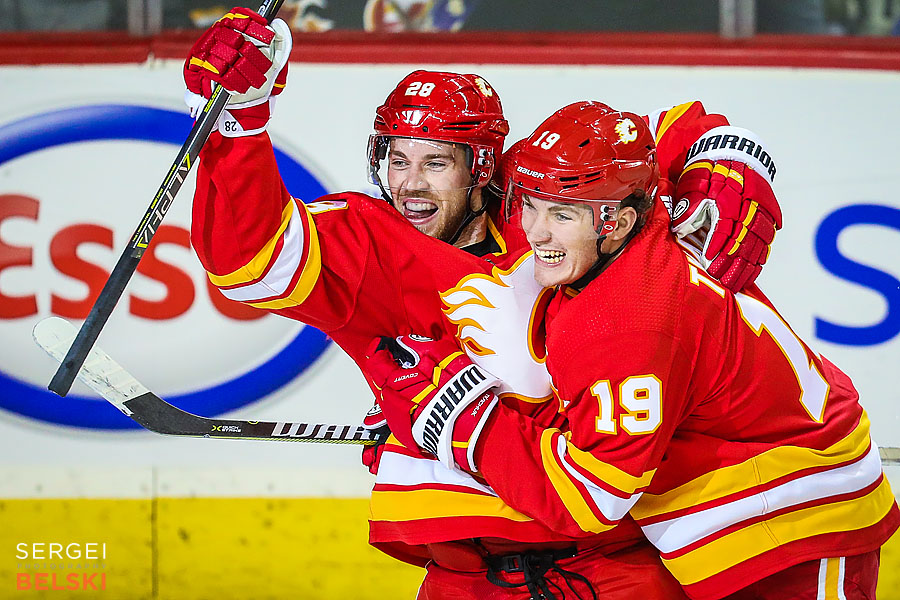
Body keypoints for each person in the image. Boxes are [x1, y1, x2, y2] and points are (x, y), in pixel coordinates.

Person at [185, 8, 781, 597]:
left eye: (436, 162)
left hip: (612, 561)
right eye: (397, 158)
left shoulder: (552, 208)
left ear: (484, 166)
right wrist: (238, 125)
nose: (410, 183)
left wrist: (729, 159)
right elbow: (248, 261)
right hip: (468, 576)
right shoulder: (368, 244)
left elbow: (676, 129)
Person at [366, 101, 900, 599]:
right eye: (530, 206)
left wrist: (459, 416)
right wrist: (733, 157)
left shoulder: (624, 321)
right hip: (736, 514)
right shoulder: (644, 222)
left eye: (562, 215)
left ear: (613, 222)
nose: (534, 233)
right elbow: (678, 124)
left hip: (803, 514)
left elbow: (587, 499)